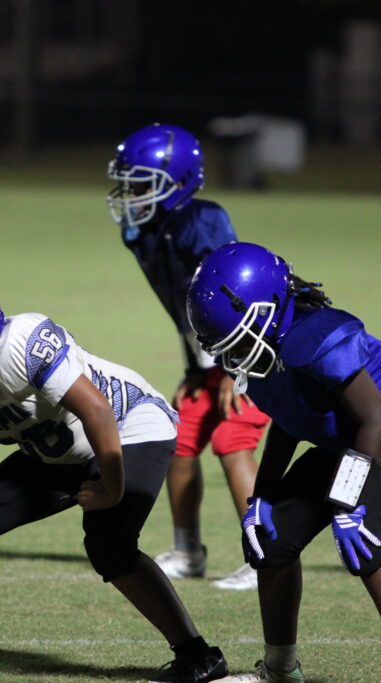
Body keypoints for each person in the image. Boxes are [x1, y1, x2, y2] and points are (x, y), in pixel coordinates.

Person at [0, 265, 228, 682]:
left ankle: (198, 657)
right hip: (59, 448)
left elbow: (97, 412)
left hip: (129, 427)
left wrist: (110, 489)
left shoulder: (23, 345)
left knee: (109, 544)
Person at [187, 243, 381, 683]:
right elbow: (288, 420)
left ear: (267, 308)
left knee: (365, 538)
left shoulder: (317, 337)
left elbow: (375, 418)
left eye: (235, 335)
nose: (229, 352)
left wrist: (346, 504)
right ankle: (279, 671)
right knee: (270, 538)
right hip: (348, 437)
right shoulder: (258, 347)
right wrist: (261, 499)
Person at [107, 123, 269, 590]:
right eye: (128, 184)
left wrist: (234, 368)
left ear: (178, 183)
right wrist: (194, 369)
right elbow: (187, 310)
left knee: (232, 441)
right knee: (175, 439)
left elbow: (231, 292)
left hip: (254, 351)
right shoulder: (146, 232)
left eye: (142, 184)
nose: (131, 195)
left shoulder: (202, 220)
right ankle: (188, 551)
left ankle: (265, 558)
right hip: (213, 358)